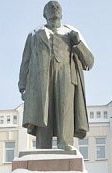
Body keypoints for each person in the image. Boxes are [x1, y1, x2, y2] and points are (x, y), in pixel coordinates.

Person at [18, 0, 94, 151]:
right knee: (43, 112)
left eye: (57, 6)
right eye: (50, 7)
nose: (54, 8)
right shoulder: (34, 35)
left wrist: (77, 42)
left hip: (66, 77)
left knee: (65, 110)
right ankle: (43, 148)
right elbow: (25, 61)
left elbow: (89, 62)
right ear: (44, 14)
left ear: (62, 13)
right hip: (40, 80)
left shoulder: (72, 33)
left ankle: (65, 145)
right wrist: (23, 87)